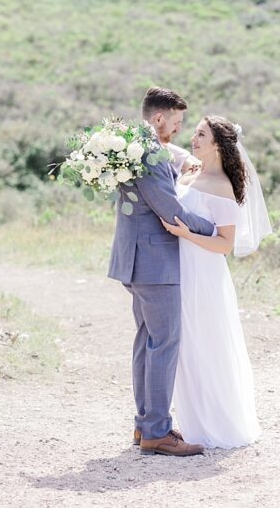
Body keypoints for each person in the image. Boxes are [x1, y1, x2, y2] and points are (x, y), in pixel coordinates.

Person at [107, 87, 216, 456]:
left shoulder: (131, 144)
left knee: (146, 341)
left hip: (135, 259)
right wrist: (214, 230)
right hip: (154, 262)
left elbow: (169, 157)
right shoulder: (149, 154)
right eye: (177, 122)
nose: (179, 129)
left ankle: (144, 426)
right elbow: (171, 212)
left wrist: (182, 160)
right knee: (163, 342)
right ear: (159, 119)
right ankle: (156, 430)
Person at [160, 116, 268, 448]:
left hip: (203, 272)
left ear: (218, 144)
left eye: (201, 134)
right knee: (185, 346)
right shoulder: (192, 170)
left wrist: (186, 234)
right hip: (178, 268)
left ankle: (217, 424)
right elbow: (168, 150)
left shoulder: (222, 185)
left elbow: (225, 244)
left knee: (205, 343)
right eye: (194, 132)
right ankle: (191, 421)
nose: (193, 137)